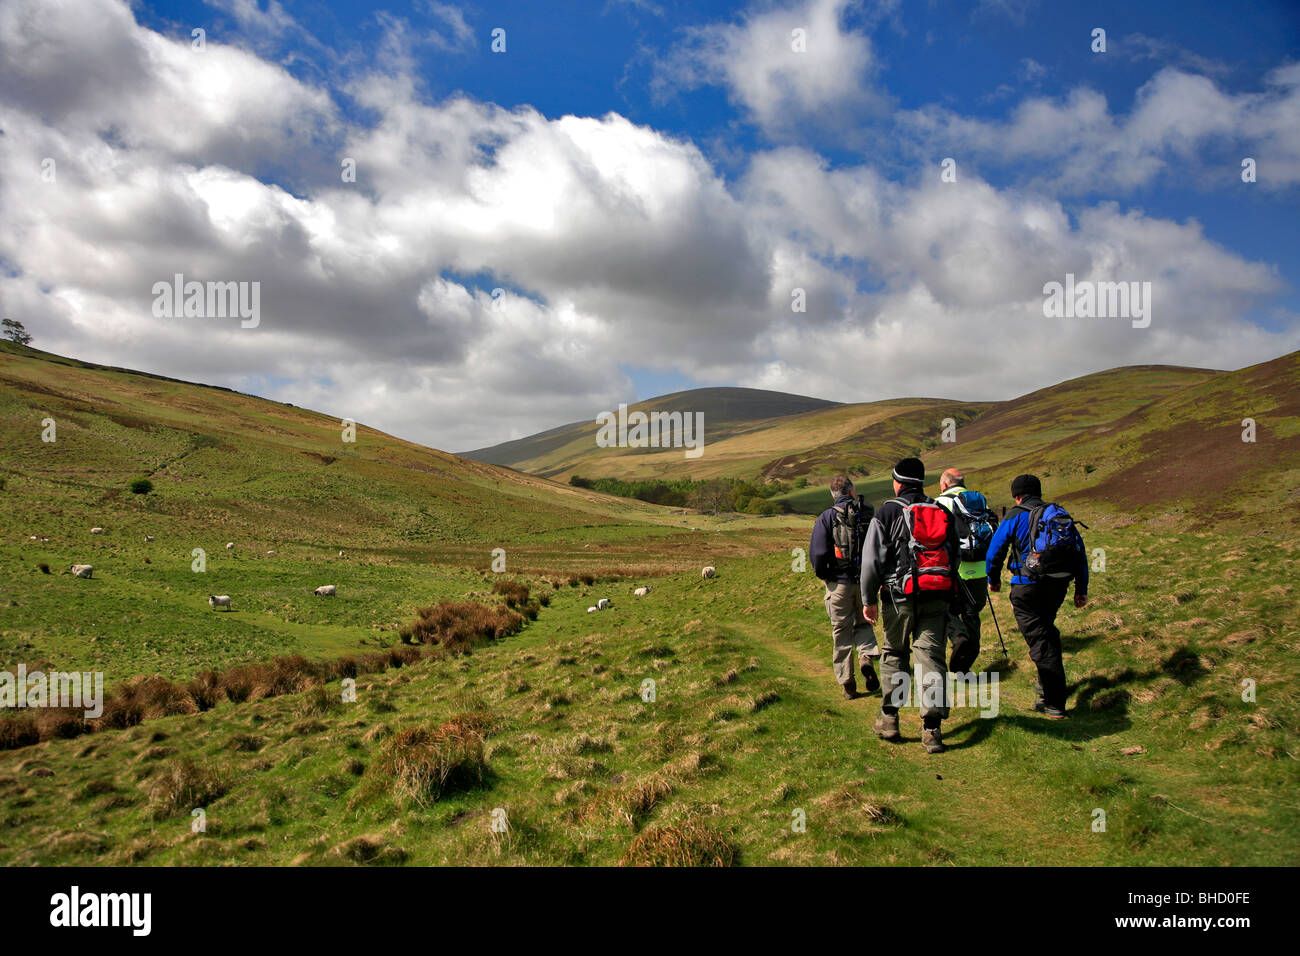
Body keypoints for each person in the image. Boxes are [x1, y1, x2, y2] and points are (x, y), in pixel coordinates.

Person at [860, 457, 960, 753]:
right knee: (931, 658)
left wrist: (868, 600)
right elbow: (953, 554)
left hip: (898, 598)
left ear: (897, 482)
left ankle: (890, 719)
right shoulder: (940, 510)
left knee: (895, 654)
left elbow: (871, 561)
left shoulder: (888, 512)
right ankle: (932, 729)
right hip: (937, 595)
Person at [985, 474, 1089, 719]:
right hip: (1058, 585)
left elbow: (995, 551)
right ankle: (1045, 691)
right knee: (1045, 632)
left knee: (1042, 641)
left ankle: (1055, 703)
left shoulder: (1015, 515)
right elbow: (1080, 553)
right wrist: (1080, 589)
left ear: (1017, 495)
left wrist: (994, 579)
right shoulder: (1057, 514)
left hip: (1027, 586)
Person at [810, 475, 879, 699]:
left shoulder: (826, 517)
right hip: (865, 583)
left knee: (841, 632)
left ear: (833, 495)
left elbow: (818, 554)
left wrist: (826, 576)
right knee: (864, 624)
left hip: (838, 583)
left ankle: (848, 683)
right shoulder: (867, 513)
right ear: (850, 491)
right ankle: (866, 658)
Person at [933, 468, 996, 674]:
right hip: (979, 568)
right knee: (972, 613)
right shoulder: (978, 501)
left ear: (944, 484)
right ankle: (964, 666)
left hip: (953, 570)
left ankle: (958, 640)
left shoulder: (939, 503)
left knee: (945, 611)